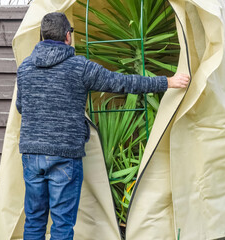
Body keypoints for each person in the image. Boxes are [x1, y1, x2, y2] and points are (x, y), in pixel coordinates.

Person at [16, 12, 190, 240]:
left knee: (35, 222)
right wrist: (166, 81)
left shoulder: (26, 67)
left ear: (41, 37)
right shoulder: (79, 67)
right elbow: (122, 83)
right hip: (64, 156)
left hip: (31, 155)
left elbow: (22, 106)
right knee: (61, 226)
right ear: (68, 36)